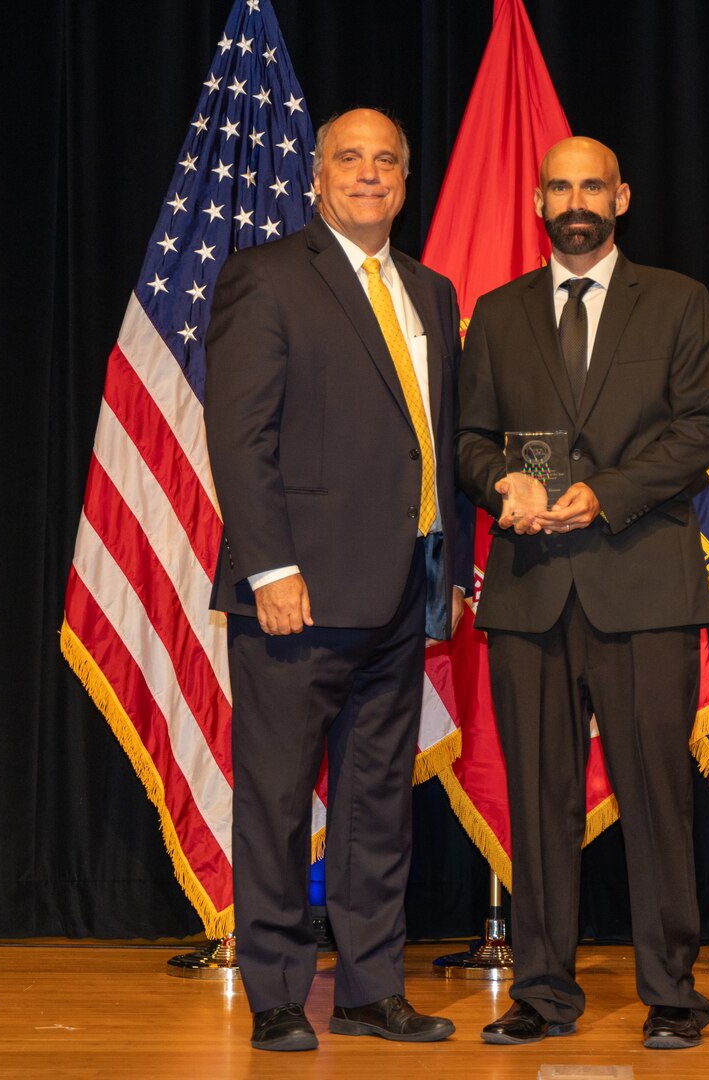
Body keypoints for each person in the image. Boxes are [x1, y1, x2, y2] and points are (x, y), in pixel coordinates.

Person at [205, 108, 472, 1052]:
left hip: (404, 587)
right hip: (298, 593)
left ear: (406, 179)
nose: (369, 174)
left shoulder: (432, 292)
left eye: (386, 161)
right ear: (316, 175)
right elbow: (240, 438)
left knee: (375, 804)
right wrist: (271, 566)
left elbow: (428, 441)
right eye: (349, 159)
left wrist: (453, 568)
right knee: (277, 800)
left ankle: (369, 991)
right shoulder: (266, 276)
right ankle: (277, 991)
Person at [456, 136, 709, 1050]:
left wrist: (604, 495)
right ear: (538, 202)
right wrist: (504, 484)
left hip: (642, 585)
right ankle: (541, 995)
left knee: (657, 797)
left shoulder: (679, 301)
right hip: (529, 593)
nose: (576, 199)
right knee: (538, 803)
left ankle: (673, 996)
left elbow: (703, 430)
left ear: (621, 197)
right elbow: (467, 439)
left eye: (592, 185)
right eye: (559, 185)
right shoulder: (495, 314)